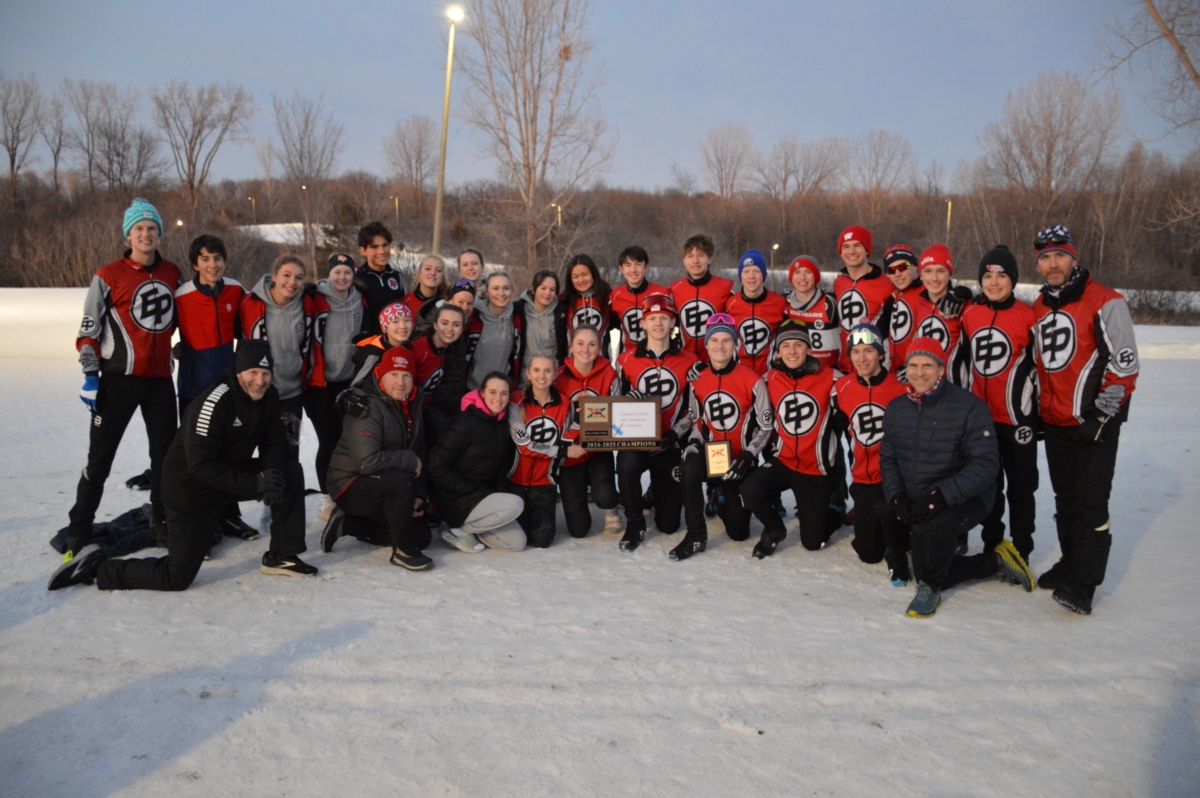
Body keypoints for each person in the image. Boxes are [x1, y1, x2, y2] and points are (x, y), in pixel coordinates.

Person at [49, 341, 318, 591]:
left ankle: (281, 555)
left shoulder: (268, 397)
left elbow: (273, 442)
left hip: (227, 479)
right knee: (176, 577)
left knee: (289, 471)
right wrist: (257, 484)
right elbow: (200, 466)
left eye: (265, 373)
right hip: (190, 490)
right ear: (238, 371)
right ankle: (96, 568)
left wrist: (270, 475)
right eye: (252, 372)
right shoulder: (215, 403)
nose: (259, 381)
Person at [880, 337, 1033, 618]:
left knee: (931, 566)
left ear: (941, 369)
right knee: (922, 563)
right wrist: (896, 495)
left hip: (964, 496)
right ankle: (995, 562)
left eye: (928, 365)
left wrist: (942, 495)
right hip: (918, 495)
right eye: (913, 365)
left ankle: (932, 588)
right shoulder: (897, 408)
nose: (919, 372)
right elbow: (888, 459)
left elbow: (986, 465)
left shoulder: (969, 407)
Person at [64, 198, 181, 560]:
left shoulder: (173, 273)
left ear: (159, 233)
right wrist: (90, 375)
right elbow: (88, 327)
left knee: (164, 458)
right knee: (100, 459)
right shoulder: (108, 274)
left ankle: (161, 523)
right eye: (139, 229)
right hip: (118, 381)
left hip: (160, 382)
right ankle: (79, 530)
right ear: (128, 235)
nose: (146, 234)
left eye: (151, 228)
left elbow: (185, 317)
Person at [1030, 225, 1139, 615]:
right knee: (1065, 500)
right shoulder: (1041, 306)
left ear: (1074, 258)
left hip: (1094, 423)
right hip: (1056, 422)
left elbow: (1124, 366)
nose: (1052, 263)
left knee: (1092, 503)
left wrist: (1104, 416)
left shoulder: (1106, 301)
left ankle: (1085, 583)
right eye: (1045, 257)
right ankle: (1069, 562)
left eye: (1060, 255)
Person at [960, 245, 1039, 566]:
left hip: (1018, 420)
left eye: (1001, 276)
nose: (993, 283)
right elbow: (963, 363)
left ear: (1014, 279)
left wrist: (1040, 417)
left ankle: (1021, 549)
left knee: (1021, 488)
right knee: (989, 487)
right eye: (987, 276)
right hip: (982, 421)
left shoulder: (1029, 315)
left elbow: (1043, 368)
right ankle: (993, 545)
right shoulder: (970, 314)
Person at [173, 233, 255, 541]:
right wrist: (172, 350)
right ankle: (199, 521)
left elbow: (250, 323)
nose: (212, 264)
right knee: (197, 458)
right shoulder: (180, 295)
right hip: (194, 388)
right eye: (205, 259)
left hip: (228, 388)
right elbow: (160, 330)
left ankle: (229, 517)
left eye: (217, 258)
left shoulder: (235, 289)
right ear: (195, 263)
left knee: (227, 455)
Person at [322, 346, 432, 570]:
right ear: (381, 375)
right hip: (350, 484)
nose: (400, 382)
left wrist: (418, 493)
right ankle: (402, 552)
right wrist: (410, 462)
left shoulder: (412, 404)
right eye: (393, 374)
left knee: (422, 537)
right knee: (398, 480)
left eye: (406, 375)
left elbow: (418, 450)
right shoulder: (366, 406)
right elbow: (367, 461)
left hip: (385, 483)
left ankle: (348, 524)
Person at [675, 314, 772, 561]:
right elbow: (697, 422)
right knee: (689, 468)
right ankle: (696, 534)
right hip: (713, 455)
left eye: (726, 340)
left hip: (740, 460)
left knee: (738, 533)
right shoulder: (697, 380)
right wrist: (695, 445)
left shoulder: (752, 379)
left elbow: (766, 426)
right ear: (706, 345)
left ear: (735, 345)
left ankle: (718, 496)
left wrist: (748, 455)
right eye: (714, 340)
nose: (720, 346)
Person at [742, 320, 838, 558]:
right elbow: (739, 385)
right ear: (778, 350)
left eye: (798, 345)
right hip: (784, 461)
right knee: (749, 489)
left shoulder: (832, 378)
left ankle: (834, 510)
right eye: (785, 346)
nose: (792, 351)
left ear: (809, 348)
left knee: (812, 543)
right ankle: (775, 529)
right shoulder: (770, 378)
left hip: (815, 470)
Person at [614, 293, 699, 551]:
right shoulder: (626, 359)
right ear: (643, 323)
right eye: (653, 319)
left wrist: (673, 435)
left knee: (669, 525)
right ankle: (635, 521)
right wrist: (627, 402)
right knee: (627, 464)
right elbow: (613, 404)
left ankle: (655, 494)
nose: (659, 324)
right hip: (637, 442)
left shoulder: (690, 360)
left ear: (673, 322)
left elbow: (695, 409)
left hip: (669, 445)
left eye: (664, 318)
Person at [830, 323, 909, 583]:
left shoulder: (900, 386)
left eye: (868, 351)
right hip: (863, 478)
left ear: (881, 354)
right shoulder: (842, 387)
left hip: (895, 478)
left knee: (898, 531)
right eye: (855, 352)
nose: (861, 358)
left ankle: (904, 537)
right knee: (868, 553)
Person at [240, 255, 327, 463]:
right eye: (286, 275)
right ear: (274, 276)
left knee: (290, 450)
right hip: (259, 392)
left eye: (298, 278)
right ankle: (268, 491)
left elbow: (333, 291)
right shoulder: (250, 303)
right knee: (263, 450)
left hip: (292, 393)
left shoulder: (306, 302)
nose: (292, 282)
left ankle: (291, 494)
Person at [428, 373, 528, 553]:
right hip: (455, 498)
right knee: (515, 504)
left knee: (516, 543)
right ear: (482, 393)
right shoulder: (466, 422)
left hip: (480, 495)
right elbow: (436, 464)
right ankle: (458, 530)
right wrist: (469, 488)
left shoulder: (502, 423)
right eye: (492, 392)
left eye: (504, 393)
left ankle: (468, 530)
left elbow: (500, 468)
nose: (498, 398)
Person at [308, 253, 364, 521]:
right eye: (337, 272)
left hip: (347, 380)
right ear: (328, 274)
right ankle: (326, 499)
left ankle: (346, 493)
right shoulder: (315, 297)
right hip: (318, 382)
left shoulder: (359, 301)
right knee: (327, 439)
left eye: (347, 272)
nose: (342, 277)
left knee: (345, 440)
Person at [556, 326, 622, 539]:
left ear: (600, 347)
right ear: (571, 347)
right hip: (570, 452)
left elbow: (617, 411)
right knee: (578, 530)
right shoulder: (559, 377)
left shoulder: (609, 374)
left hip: (597, 448)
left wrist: (596, 412)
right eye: (580, 343)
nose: (586, 349)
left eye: (592, 344)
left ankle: (611, 506)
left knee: (604, 496)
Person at [507, 355, 574, 548]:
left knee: (542, 540)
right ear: (528, 373)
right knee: (520, 537)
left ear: (555, 374)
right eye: (536, 370)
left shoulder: (564, 403)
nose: (542, 376)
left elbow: (574, 428)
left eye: (547, 371)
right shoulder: (516, 399)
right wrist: (562, 451)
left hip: (545, 480)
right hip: (515, 479)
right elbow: (524, 445)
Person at [832, 225, 893, 374]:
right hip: (845, 369)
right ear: (840, 252)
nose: (851, 251)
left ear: (867, 250)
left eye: (857, 245)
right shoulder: (839, 283)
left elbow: (912, 272)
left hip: (875, 369)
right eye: (846, 246)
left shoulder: (887, 284)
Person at [911, 244, 972, 384]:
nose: (934, 278)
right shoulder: (919, 303)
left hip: (955, 387)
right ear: (920, 275)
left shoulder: (962, 305)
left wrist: (964, 292)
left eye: (940, 271)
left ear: (950, 273)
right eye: (927, 271)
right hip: (924, 386)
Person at [670, 233, 734, 362]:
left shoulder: (727, 287)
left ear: (710, 259)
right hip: (684, 361)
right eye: (690, 256)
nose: (695, 261)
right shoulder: (674, 289)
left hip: (717, 362)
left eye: (701, 255)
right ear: (684, 260)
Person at [727, 249, 788, 374]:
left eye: (756, 271)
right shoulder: (731, 303)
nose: (751, 276)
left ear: (763, 274)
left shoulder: (779, 303)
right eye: (746, 271)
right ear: (740, 275)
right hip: (739, 374)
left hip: (770, 374)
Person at [468, 272, 524, 390]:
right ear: (487, 292)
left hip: (501, 392)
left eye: (506, 288)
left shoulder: (517, 317)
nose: (501, 293)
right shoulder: (474, 316)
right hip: (473, 390)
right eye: (495, 288)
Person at [782, 255, 839, 370]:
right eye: (797, 272)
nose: (802, 277)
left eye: (808, 272)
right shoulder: (785, 303)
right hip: (797, 370)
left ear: (816, 277)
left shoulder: (830, 302)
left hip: (827, 371)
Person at [608, 245, 666, 358]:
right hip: (628, 357)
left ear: (646, 266)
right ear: (621, 268)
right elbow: (608, 330)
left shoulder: (662, 293)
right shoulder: (615, 295)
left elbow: (675, 326)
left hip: (658, 357)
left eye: (638, 264)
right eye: (628, 265)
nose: (633, 270)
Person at [354, 221, 406, 336]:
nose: (382, 251)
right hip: (368, 344)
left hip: (394, 341)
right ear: (363, 251)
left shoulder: (396, 276)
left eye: (385, 245)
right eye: (374, 247)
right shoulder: (356, 277)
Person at [882, 244, 923, 378]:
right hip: (897, 374)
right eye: (892, 270)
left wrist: (962, 292)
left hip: (921, 374)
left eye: (903, 267)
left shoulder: (927, 293)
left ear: (915, 266)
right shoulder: (893, 297)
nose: (898, 274)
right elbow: (877, 329)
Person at [350, 302, 414, 385]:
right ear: (385, 328)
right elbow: (356, 388)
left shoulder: (413, 349)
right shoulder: (372, 355)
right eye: (395, 321)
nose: (403, 326)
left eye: (407, 320)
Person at [517, 269, 567, 370]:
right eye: (543, 288)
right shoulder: (519, 310)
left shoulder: (560, 314)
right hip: (525, 376)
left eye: (552, 290)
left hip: (550, 376)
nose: (548, 293)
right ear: (533, 289)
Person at [562, 254, 612, 340]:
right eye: (576, 276)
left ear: (593, 274)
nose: (581, 280)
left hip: (602, 352)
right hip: (573, 352)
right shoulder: (564, 299)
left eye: (584, 274)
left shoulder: (607, 296)